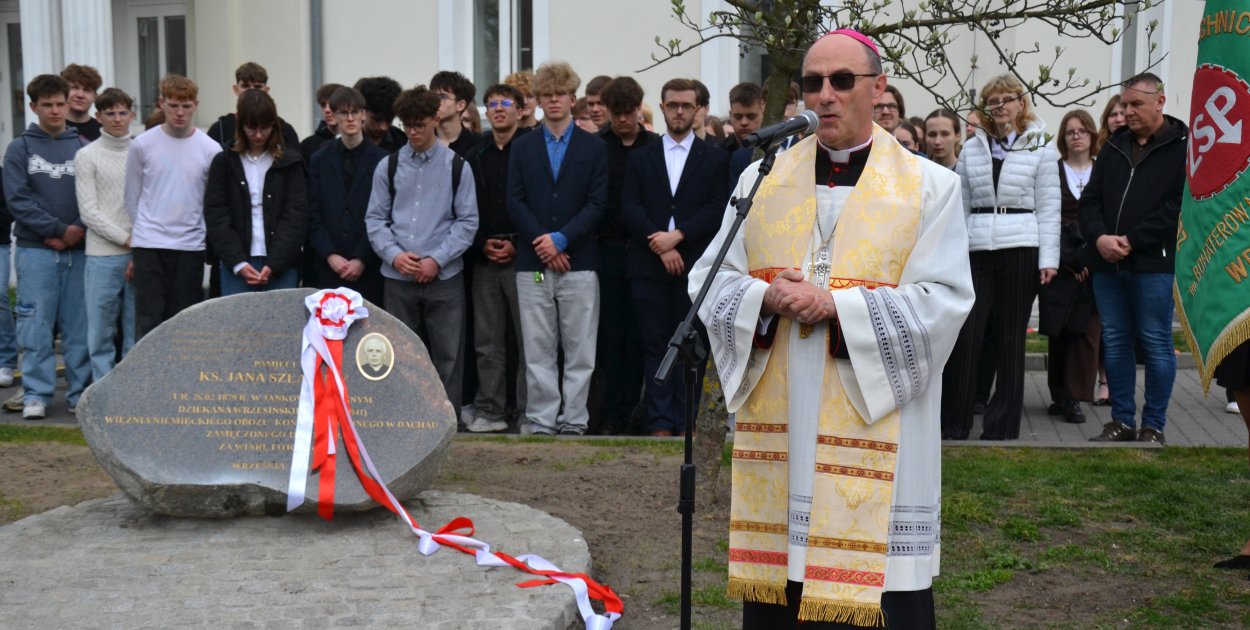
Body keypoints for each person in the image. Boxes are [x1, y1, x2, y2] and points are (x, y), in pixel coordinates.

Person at [691, 29, 972, 628]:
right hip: (784, 427)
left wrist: (837, 307)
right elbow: (708, 281)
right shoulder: (760, 180)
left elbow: (945, 300)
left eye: (842, 81)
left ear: (877, 88)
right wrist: (766, 296)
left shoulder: (930, 187)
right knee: (782, 586)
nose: (825, 95)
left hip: (878, 421)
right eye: (812, 83)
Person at [941, 74, 1060, 441]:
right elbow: (959, 204)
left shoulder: (1040, 146)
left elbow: (1050, 204)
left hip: (1022, 246)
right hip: (976, 247)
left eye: (1008, 99)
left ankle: (1002, 425)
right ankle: (955, 422)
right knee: (968, 334)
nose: (1001, 107)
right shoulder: (974, 147)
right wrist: (953, 254)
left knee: (1010, 339)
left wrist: (1049, 259)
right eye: (993, 101)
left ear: (1021, 103)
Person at [1080, 72, 1187, 444]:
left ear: (1160, 101)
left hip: (1152, 263)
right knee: (1115, 340)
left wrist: (1130, 239)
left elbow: (1177, 206)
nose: (1126, 112)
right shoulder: (1113, 146)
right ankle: (1121, 421)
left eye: (1136, 104)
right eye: (1124, 105)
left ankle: (1153, 426)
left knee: (1156, 341)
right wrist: (1100, 239)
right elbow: (1090, 201)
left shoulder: (1182, 146)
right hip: (1108, 262)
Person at [622, 78, 728, 436]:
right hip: (648, 266)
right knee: (655, 345)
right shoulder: (641, 156)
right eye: (672, 105)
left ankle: (688, 423)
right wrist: (659, 243)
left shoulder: (715, 158)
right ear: (663, 107)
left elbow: (717, 208)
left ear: (698, 109)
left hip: (694, 266)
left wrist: (678, 237)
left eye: (686, 105)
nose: (679, 111)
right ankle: (660, 423)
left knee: (691, 346)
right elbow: (630, 206)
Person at [507, 61, 608, 436]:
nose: (553, 101)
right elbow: (515, 201)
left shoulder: (593, 148)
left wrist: (562, 239)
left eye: (559, 95)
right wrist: (545, 244)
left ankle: (574, 421)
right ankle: (540, 419)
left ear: (572, 98)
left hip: (579, 262)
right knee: (537, 347)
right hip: (533, 261)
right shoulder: (523, 146)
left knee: (580, 348)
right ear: (538, 99)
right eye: (546, 95)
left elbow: (597, 203)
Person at [366, 86, 478, 417]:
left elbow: (467, 222)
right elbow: (375, 219)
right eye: (407, 125)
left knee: (448, 355)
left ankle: (445, 421)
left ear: (434, 119)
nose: (412, 132)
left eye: (419, 124)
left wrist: (436, 259)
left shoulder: (457, 167)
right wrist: (394, 255)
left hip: (444, 276)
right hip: (397, 274)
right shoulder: (387, 167)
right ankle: (403, 421)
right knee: (398, 354)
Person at [2, 74, 92, 420]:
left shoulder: (83, 148)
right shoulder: (19, 148)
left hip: (78, 251)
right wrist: (56, 230)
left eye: (60, 104)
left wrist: (76, 231)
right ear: (33, 106)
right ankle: (36, 394)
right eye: (47, 105)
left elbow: (93, 197)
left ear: (69, 104)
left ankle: (79, 393)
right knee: (35, 325)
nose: (55, 111)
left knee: (78, 327)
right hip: (35, 250)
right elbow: (17, 199)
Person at [125, 74, 222, 339]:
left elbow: (210, 201)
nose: (180, 113)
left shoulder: (210, 149)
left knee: (184, 322)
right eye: (173, 105)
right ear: (161, 104)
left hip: (190, 245)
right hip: (150, 245)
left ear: (196, 105)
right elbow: (132, 197)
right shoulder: (142, 145)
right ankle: (147, 379)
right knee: (148, 319)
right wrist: (144, 232)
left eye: (186, 106)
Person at [464, 84, 531, 434]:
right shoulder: (475, 153)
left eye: (506, 103)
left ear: (520, 110)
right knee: (487, 340)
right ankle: (490, 409)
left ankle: (525, 412)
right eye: (492, 104)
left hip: (524, 254)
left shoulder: (532, 148)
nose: (498, 109)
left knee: (527, 340)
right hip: (484, 254)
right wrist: (480, 244)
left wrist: (521, 243)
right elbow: (463, 207)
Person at [593, 76, 658, 435]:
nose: (622, 119)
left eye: (628, 112)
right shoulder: (596, 146)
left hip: (645, 249)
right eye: (615, 113)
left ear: (638, 109)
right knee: (609, 338)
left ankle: (638, 412)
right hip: (606, 250)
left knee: (640, 337)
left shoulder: (655, 146)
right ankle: (609, 413)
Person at [204, 90, 308, 296]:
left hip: (282, 264)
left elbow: (296, 215)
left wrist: (276, 262)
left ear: (274, 126)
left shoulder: (290, 162)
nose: (259, 135)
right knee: (239, 327)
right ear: (241, 126)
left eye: (265, 128)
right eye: (252, 128)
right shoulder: (224, 162)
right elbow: (216, 214)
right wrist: (238, 262)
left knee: (280, 327)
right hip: (237, 263)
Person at [1039, 109, 1101, 425]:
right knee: (1059, 330)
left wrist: (1088, 259)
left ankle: (1076, 395)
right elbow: (1049, 214)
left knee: (1086, 331)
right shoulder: (1053, 170)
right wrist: (1067, 259)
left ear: (1092, 135)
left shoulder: (1102, 171)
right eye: (1069, 132)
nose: (1076, 136)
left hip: (1093, 262)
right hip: (1059, 261)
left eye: (1081, 131)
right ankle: (1060, 395)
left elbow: (1103, 217)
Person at [76, 87, 137, 381]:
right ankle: (102, 390)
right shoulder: (86, 155)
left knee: (135, 328)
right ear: (97, 116)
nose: (117, 119)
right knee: (100, 330)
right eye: (110, 113)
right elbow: (89, 211)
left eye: (122, 112)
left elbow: (148, 202)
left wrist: (139, 244)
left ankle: (131, 390)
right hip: (103, 255)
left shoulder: (141, 150)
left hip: (139, 253)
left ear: (132, 115)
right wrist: (126, 238)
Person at [306, 86, 387, 305]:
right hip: (329, 267)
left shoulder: (383, 160)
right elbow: (313, 213)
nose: (350, 118)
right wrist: (330, 254)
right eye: (343, 113)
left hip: (370, 268)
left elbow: (385, 215)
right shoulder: (319, 159)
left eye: (355, 112)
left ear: (363, 114)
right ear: (334, 116)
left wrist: (362, 257)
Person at [207, 62, 301, 152]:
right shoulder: (220, 130)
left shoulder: (284, 130)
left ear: (266, 90)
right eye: (245, 86)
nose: (251, 91)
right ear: (236, 89)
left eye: (257, 86)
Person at [430, 70, 481, 156]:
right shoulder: (422, 141)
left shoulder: (478, 144)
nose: (435, 101)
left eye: (443, 97)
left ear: (460, 105)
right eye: (432, 96)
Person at [355, 76, 407, 152]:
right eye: (377, 119)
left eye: (389, 119)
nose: (383, 127)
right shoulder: (350, 140)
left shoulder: (402, 141)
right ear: (363, 111)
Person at [299, 82, 347, 160]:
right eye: (323, 105)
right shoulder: (308, 145)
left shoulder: (358, 142)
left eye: (332, 104)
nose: (327, 110)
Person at [61, 64, 103, 142]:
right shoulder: (53, 128)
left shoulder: (104, 132)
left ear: (95, 97)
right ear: (64, 92)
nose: (80, 95)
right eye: (75, 88)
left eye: (87, 90)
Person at [722, 82, 764, 152]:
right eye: (738, 117)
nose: (744, 123)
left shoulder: (778, 150)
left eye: (751, 116)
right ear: (730, 116)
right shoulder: (719, 153)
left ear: (763, 114)